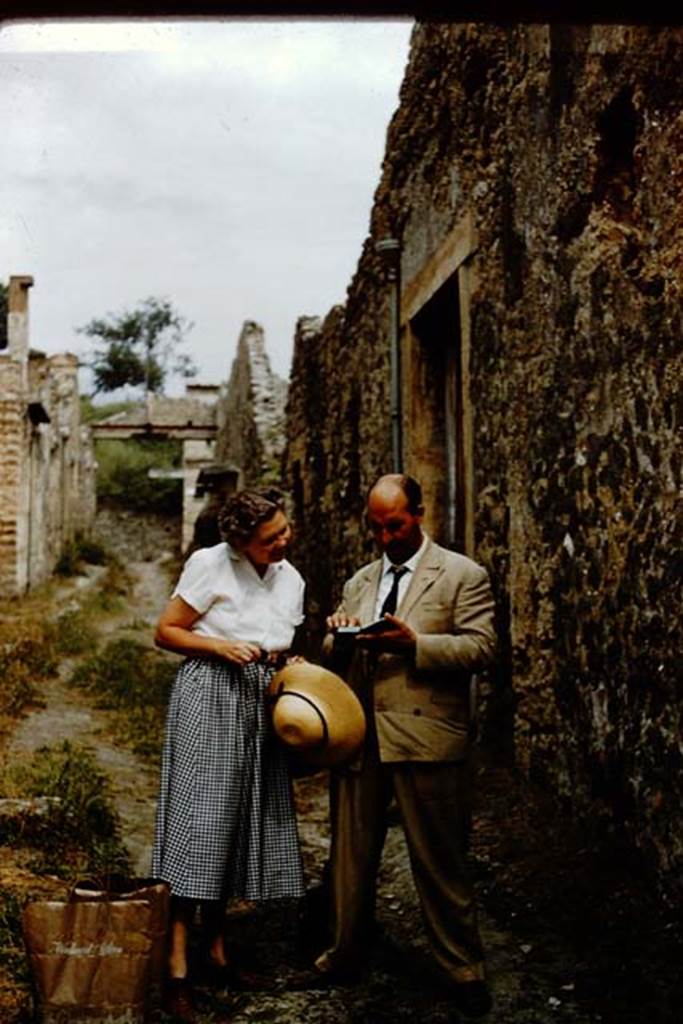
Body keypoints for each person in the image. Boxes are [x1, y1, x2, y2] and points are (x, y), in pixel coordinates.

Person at [314, 473, 496, 1019]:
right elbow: (331, 651)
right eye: (375, 527)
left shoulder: (463, 574)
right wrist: (339, 635)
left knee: (440, 860)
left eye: (394, 524)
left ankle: (463, 967)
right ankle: (345, 953)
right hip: (362, 736)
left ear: (419, 513)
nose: (385, 537)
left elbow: (482, 649)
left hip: (427, 735)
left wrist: (416, 646)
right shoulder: (360, 580)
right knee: (349, 858)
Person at [151, 487, 306, 1021]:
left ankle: (216, 952)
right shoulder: (210, 565)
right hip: (210, 693)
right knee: (200, 825)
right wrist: (219, 647)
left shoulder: (291, 578)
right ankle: (175, 969)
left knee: (238, 824)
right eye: (271, 539)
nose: (283, 541)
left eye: (285, 530)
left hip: (261, 700)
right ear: (241, 544)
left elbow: (280, 638)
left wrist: (289, 660)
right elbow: (166, 632)